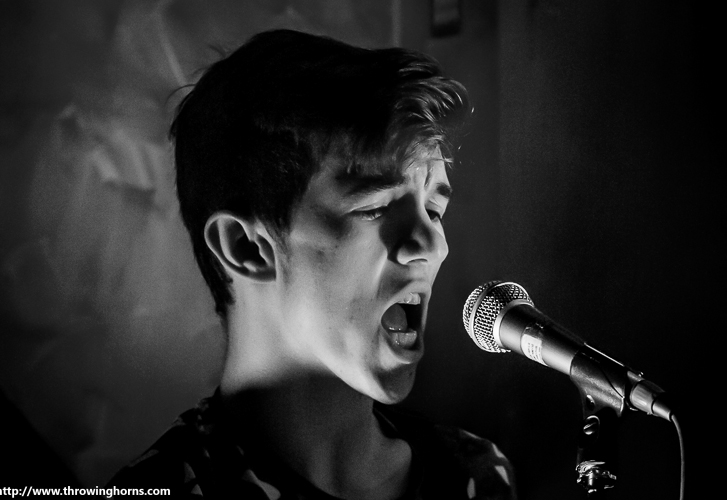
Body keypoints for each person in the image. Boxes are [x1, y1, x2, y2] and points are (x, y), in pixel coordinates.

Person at [108, 29, 516, 499]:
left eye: (434, 210)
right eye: (375, 208)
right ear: (245, 247)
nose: (432, 243)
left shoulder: (475, 475)